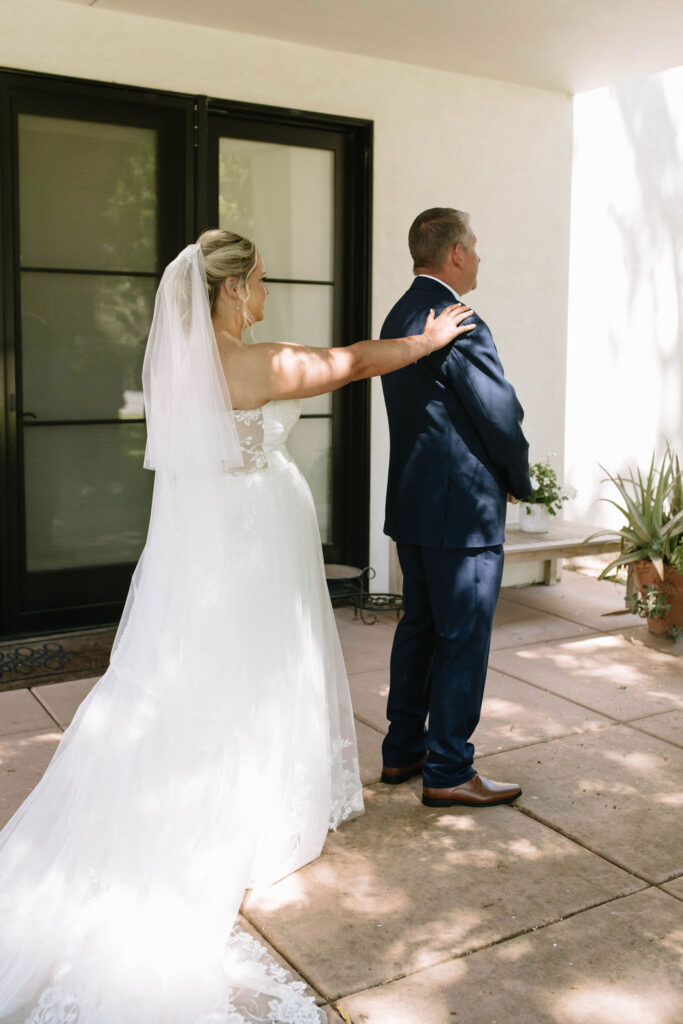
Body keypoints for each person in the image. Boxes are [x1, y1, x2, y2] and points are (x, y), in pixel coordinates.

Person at [0, 230, 475, 1024]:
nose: (264, 297)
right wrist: (423, 340)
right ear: (226, 292)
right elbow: (353, 361)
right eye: (256, 284)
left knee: (203, 666)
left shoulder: (182, 368)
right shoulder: (254, 362)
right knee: (262, 665)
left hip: (207, 544)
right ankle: (252, 810)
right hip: (253, 543)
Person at [379, 208, 532, 808]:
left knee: (419, 627)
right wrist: (517, 476)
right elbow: (499, 412)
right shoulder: (458, 320)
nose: (481, 256)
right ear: (457, 255)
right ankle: (447, 769)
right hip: (460, 510)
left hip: (414, 504)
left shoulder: (399, 312)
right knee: (463, 635)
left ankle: (404, 752)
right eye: (477, 245)